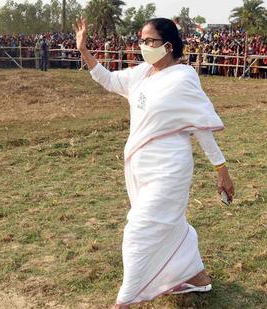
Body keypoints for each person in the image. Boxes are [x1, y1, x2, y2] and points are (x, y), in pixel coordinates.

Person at [73, 17, 235, 308]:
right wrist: (84, 50)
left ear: (168, 45)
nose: (143, 46)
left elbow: (201, 128)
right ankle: (197, 276)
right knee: (169, 224)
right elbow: (108, 79)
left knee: (139, 229)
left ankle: (125, 300)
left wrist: (221, 170)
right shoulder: (141, 74)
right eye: (142, 40)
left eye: (150, 41)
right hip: (140, 169)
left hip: (170, 169)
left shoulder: (183, 77)